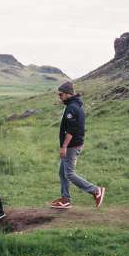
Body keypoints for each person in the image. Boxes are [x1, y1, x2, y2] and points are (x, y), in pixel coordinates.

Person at [50, 81, 105, 209]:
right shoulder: (74, 105)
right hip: (73, 144)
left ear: (68, 93)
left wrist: (64, 147)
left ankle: (96, 191)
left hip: (71, 146)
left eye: (61, 94)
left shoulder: (72, 108)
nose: (60, 97)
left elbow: (71, 130)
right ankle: (65, 199)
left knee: (69, 174)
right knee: (62, 172)